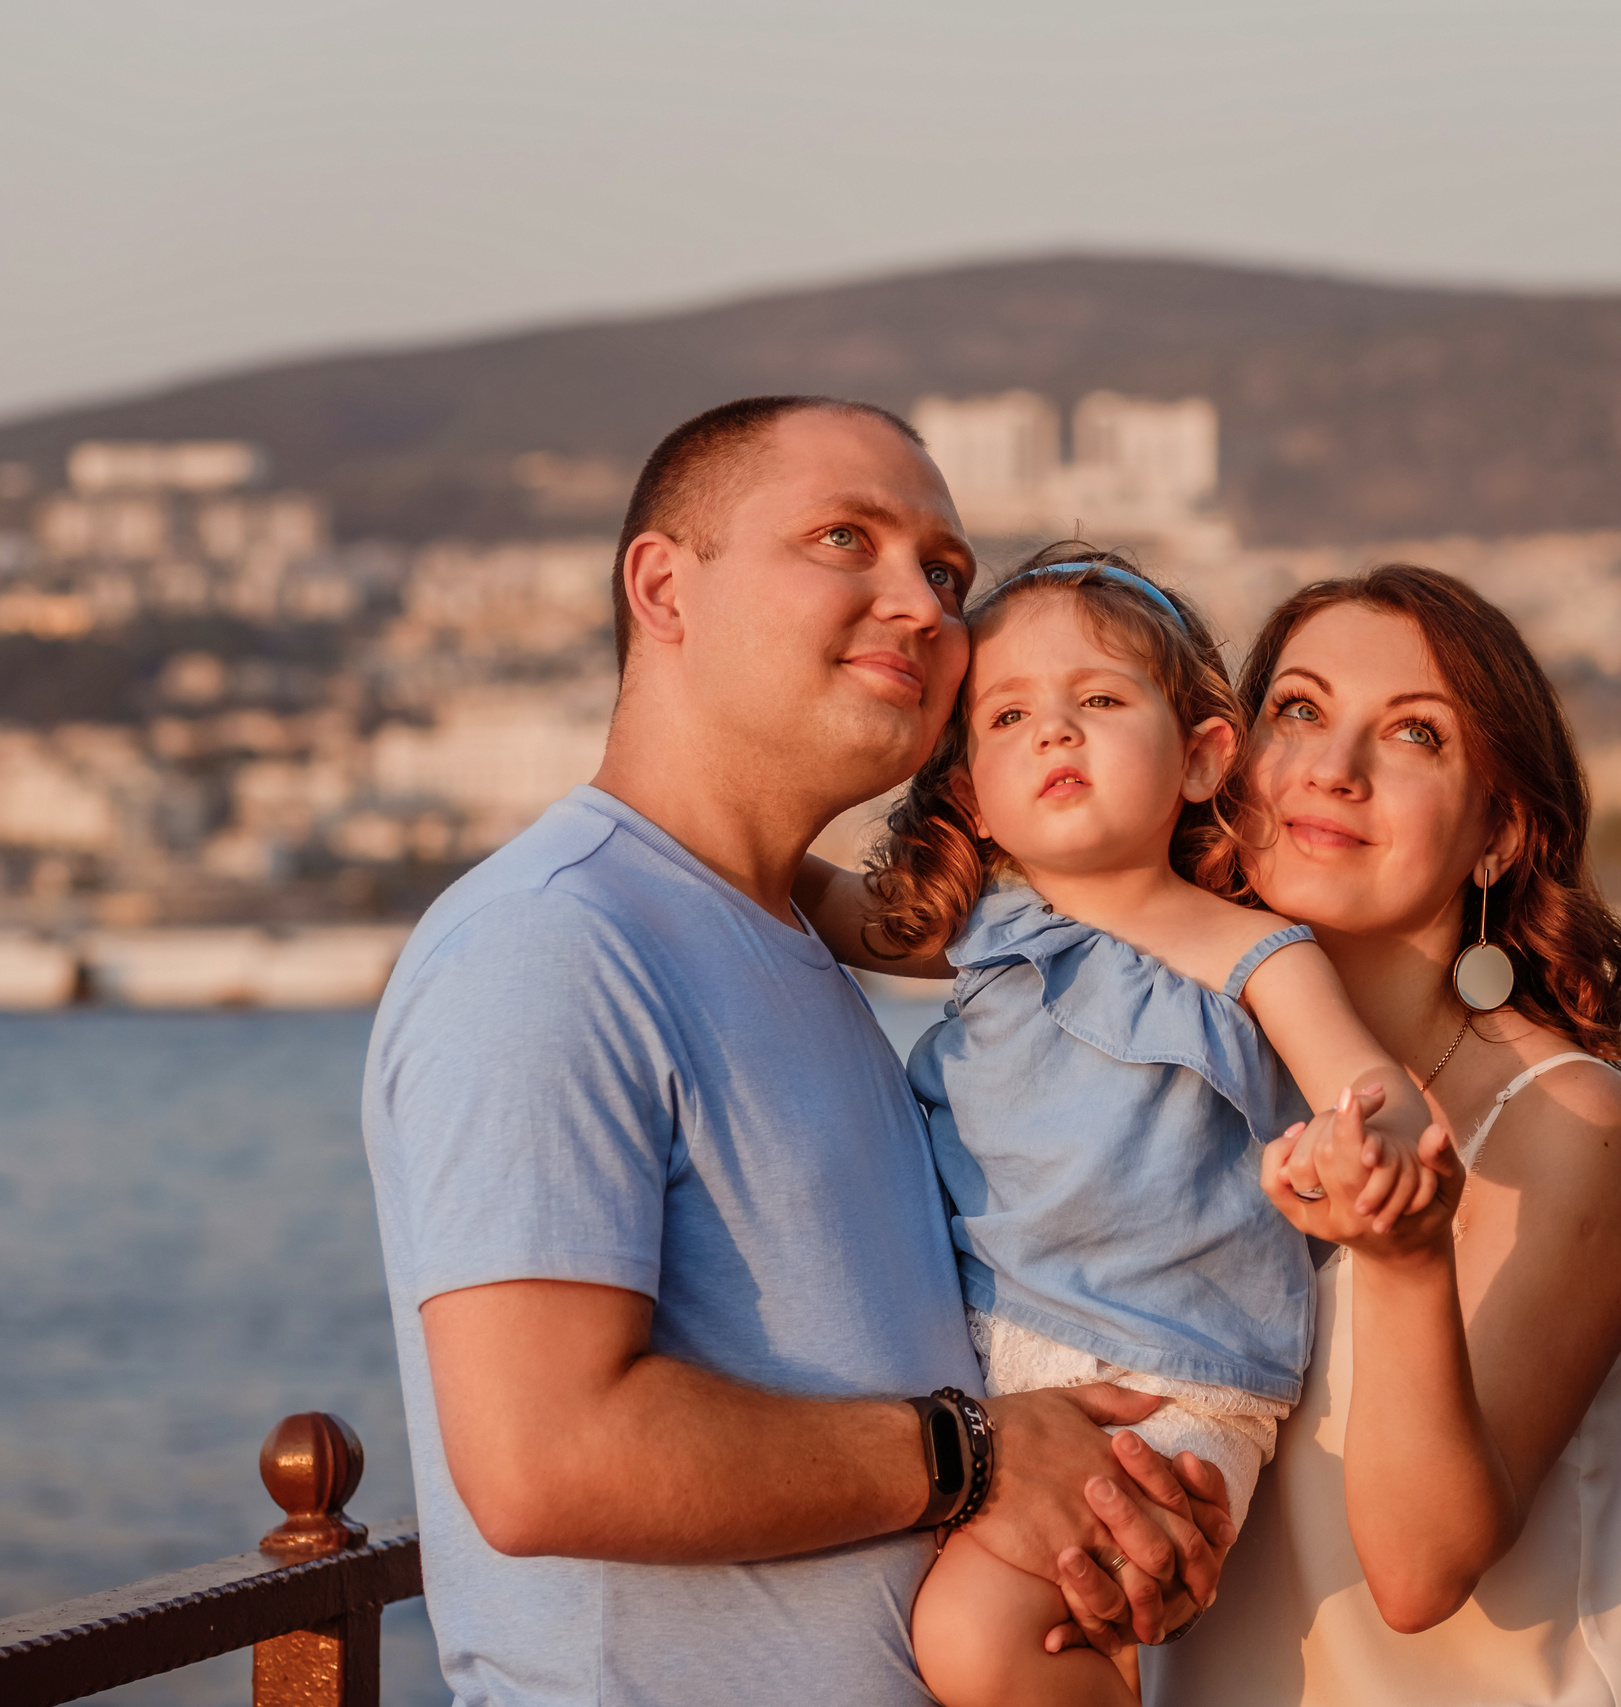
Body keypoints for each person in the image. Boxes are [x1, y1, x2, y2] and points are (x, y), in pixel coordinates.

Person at [361, 398, 1232, 1707]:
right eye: (846, 539)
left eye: (946, 571)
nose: (927, 604)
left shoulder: (798, 947)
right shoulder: (549, 943)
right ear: (665, 585)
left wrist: (1099, 1512)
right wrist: (982, 1456)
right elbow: (547, 1459)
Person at [813, 549, 1448, 1707]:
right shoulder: (979, 927)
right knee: (982, 1631)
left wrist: (1373, 1146)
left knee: (972, 1635)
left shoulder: (1244, 948)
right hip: (1003, 1363)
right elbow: (800, 890)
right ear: (970, 791)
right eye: (1010, 717)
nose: (1055, 733)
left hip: (1170, 1376)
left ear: (1204, 755)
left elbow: (1367, 1079)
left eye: (1098, 701)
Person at [1143, 565, 1621, 1706]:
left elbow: (1419, 1569)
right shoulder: (1183, 1069)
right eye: (1298, 711)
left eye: (1414, 737)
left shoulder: (1564, 1130)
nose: (1333, 770)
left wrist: (1400, 1260)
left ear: (1496, 833)